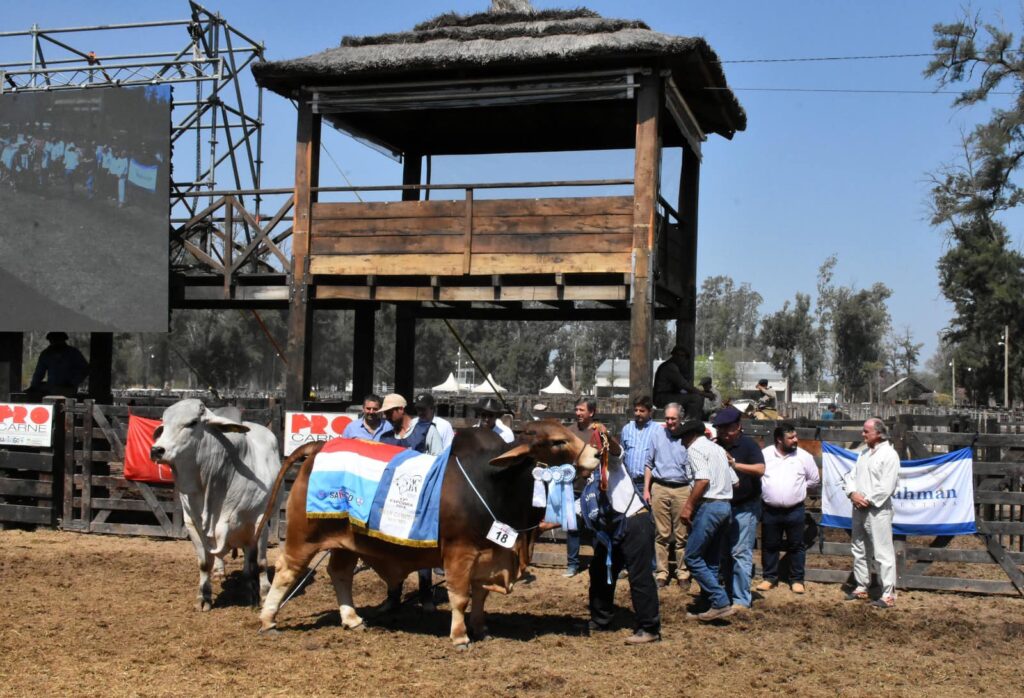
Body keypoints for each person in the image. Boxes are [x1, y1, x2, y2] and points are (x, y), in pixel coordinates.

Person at [582, 432, 659, 644]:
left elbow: (617, 451)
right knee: (599, 569)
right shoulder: (588, 479)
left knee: (639, 575)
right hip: (611, 528)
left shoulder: (611, 463)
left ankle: (649, 628)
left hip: (635, 521)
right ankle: (601, 619)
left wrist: (606, 439)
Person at [679, 419, 738, 621]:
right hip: (725, 506)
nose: (681, 443)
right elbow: (735, 482)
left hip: (710, 505)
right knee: (711, 559)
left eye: (682, 438)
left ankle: (720, 601)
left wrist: (688, 506)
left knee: (692, 557)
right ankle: (710, 604)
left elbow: (702, 479)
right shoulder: (718, 450)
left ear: (690, 436)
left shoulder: (694, 450)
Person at [843, 418, 900, 609]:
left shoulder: (890, 455)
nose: (863, 434)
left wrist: (865, 499)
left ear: (878, 433)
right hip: (859, 507)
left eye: (866, 431)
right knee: (859, 548)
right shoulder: (864, 453)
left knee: (882, 551)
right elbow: (851, 476)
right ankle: (861, 586)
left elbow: (887, 486)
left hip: (877, 510)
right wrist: (852, 493)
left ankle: (888, 593)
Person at [757, 422, 820, 594]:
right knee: (770, 545)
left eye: (795, 436)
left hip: (795, 509)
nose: (795, 440)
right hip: (770, 508)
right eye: (791, 437)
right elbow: (757, 474)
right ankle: (769, 577)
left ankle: (797, 579)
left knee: (797, 545)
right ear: (779, 439)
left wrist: (798, 488)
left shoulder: (804, 456)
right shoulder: (765, 455)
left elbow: (814, 480)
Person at [713, 405, 765, 610]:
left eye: (728, 428)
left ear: (738, 427)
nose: (724, 433)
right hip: (724, 505)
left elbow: (760, 469)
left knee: (740, 552)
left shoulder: (749, 446)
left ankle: (742, 599)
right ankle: (728, 593)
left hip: (745, 506)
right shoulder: (716, 446)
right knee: (725, 552)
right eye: (720, 429)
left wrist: (735, 464)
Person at [643, 403, 692, 588]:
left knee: (682, 534)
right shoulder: (657, 435)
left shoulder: (688, 437)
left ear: (681, 419)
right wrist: (647, 490)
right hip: (660, 487)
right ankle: (662, 573)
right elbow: (648, 464)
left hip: (682, 488)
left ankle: (683, 572)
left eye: (673, 419)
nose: (670, 422)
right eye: (667, 418)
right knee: (661, 534)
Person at [563, 397, 609, 577]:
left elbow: (604, 458)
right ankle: (572, 564)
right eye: (576, 409)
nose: (578, 413)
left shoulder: (599, 432)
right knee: (572, 526)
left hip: (593, 488)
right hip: (572, 486)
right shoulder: (569, 432)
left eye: (582, 410)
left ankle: (600, 562)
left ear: (591, 412)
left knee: (597, 526)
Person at [652, 346, 714, 419]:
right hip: (662, 397)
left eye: (682, 356)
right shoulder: (670, 367)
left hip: (666, 396)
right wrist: (705, 394)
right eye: (677, 355)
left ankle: (686, 418)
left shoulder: (675, 367)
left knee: (693, 396)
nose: (679, 358)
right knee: (697, 398)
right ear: (673, 355)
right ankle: (689, 422)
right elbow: (686, 386)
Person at [26, 332, 89, 400]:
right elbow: (39, 373)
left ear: (63, 340)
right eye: (52, 341)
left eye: (57, 340)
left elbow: (84, 370)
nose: (54, 342)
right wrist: (33, 386)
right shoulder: (46, 354)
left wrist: (72, 383)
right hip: (51, 389)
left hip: (68, 389)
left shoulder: (73, 353)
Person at [619, 396, 658, 487]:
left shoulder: (657, 430)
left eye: (642, 411)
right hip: (628, 482)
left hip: (648, 483)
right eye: (636, 410)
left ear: (650, 412)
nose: (638, 413)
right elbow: (622, 454)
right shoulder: (627, 429)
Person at [409, 392, 454, 456]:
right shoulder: (412, 423)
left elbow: (448, 450)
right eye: (418, 409)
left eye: (423, 409)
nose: (420, 412)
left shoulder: (444, 426)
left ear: (432, 408)